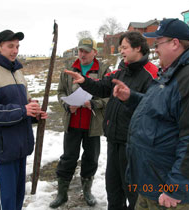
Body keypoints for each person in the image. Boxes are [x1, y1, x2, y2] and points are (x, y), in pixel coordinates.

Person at [112, 18, 189, 210]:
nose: (155, 49)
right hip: (151, 182)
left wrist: (176, 187)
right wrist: (131, 97)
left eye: (158, 43)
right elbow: (159, 108)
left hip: (167, 193)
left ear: (175, 43)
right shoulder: (172, 72)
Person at [64, 31, 158, 210]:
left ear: (138, 48)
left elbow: (153, 108)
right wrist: (84, 81)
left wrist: (130, 98)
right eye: (121, 47)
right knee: (113, 189)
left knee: (132, 191)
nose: (121, 51)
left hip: (134, 144)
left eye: (124, 47)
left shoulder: (151, 73)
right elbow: (102, 87)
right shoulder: (120, 70)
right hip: (113, 140)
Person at [0, 29, 48, 210]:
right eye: (10, 46)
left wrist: (34, 113)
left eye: (17, 46)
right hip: (3, 149)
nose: (15, 51)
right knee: (5, 202)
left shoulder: (18, 73)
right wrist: (23, 111)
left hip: (20, 146)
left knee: (17, 198)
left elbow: (24, 106)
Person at [49, 38, 110, 208]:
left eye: (86, 51)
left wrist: (95, 104)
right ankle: (62, 194)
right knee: (68, 158)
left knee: (91, 158)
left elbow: (109, 96)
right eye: (80, 50)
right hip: (73, 122)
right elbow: (60, 91)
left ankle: (87, 191)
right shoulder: (69, 69)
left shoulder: (104, 70)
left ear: (94, 52)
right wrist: (67, 105)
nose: (82, 54)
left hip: (93, 125)